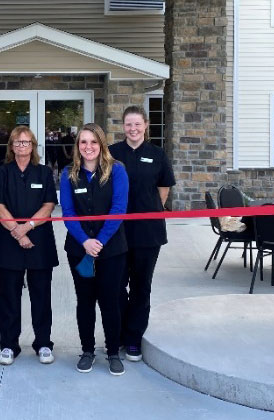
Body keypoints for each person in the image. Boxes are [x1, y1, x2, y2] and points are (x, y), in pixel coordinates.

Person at [60, 123, 129, 376]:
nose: (88, 147)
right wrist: (85, 242)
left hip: (111, 248)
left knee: (110, 301)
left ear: (101, 144)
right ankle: (87, 351)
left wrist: (98, 240)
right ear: (78, 146)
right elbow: (67, 213)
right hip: (79, 249)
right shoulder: (69, 173)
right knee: (85, 301)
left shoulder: (117, 171)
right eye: (83, 142)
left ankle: (112, 352)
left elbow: (119, 209)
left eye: (93, 142)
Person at [108, 106, 176, 362]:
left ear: (145, 125)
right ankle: (121, 333)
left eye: (137, 124)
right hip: (117, 232)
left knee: (140, 286)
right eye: (128, 124)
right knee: (114, 286)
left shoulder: (157, 154)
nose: (133, 129)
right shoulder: (112, 153)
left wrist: (147, 207)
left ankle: (134, 338)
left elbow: (163, 190)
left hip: (148, 233)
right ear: (123, 126)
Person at [0, 126, 58, 366]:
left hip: (39, 242)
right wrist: (17, 232)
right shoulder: (2, 172)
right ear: (11, 146)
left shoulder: (43, 173)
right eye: (18, 142)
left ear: (33, 146)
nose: (22, 146)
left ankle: (43, 343)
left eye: (27, 142)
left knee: (41, 297)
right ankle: (9, 345)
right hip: (9, 242)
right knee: (9, 298)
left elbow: (49, 205)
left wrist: (27, 227)